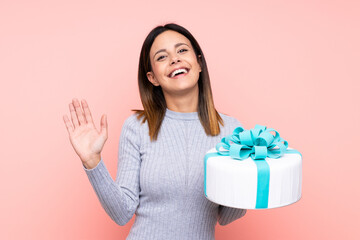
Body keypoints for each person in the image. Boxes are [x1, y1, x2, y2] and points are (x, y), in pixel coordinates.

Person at [63, 23, 246, 240]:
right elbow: (122, 213)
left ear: (199, 63)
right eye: (162, 57)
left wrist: (249, 176)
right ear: (152, 78)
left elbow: (227, 215)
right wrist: (93, 162)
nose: (175, 59)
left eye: (182, 50)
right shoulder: (137, 127)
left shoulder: (231, 130)